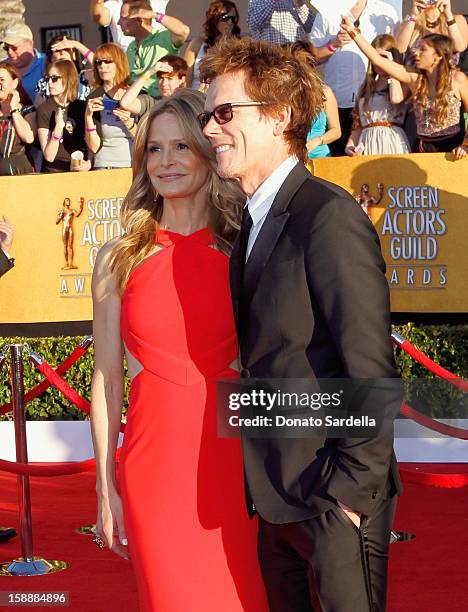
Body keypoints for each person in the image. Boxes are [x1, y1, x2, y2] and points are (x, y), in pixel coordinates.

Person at [199, 36, 402, 611]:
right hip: (277, 497)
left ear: (280, 116)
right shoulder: (253, 224)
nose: (210, 129)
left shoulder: (327, 216)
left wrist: (348, 495)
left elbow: (369, 362)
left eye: (224, 112)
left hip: (330, 499)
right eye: (207, 114)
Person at [90, 88, 269, 612]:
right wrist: (105, 489)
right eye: (153, 149)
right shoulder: (118, 258)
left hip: (234, 459)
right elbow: (106, 379)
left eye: (180, 147)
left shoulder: (243, 248)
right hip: (153, 464)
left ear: (208, 152)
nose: (165, 162)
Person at [341, 18, 468, 159]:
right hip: (423, 147)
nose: (416, 53)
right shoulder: (415, 78)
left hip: (454, 145)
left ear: (438, 55)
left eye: (423, 49)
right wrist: (353, 31)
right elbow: (377, 60)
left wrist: (465, 145)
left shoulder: (457, 79)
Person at [310, 0, 399, 155]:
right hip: (337, 103)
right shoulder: (327, 12)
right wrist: (334, 43)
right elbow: (312, 57)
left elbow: (398, 52)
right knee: (337, 164)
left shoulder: (386, 11)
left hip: (374, 105)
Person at [345, 34, 410, 156]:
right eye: (374, 57)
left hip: (391, 139)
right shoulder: (366, 87)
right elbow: (358, 124)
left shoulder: (402, 83)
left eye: (383, 57)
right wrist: (350, 146)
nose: (378, 62)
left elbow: (395, 98)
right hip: (367, 140)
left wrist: (391, 66)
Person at [118, 0, 190, 97]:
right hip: (133, 101)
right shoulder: (131, 46)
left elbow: (184, 31)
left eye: (123, 18)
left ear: (139, 19)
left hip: (158, 101)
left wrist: (153, 15)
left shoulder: (163, 37)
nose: (118, 23)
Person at [85, 43, 136, 169]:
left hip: (132, 164)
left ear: (119, 63)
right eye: (98, 62)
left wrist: (128, 122)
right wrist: (88, 118)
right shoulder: (94, 97)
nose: (102, 66)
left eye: (108, 61)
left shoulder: (134, 94)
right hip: (104, 165)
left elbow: (145, 139)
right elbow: (94, 147)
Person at [37, 60, 89, 173]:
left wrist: (89, 162)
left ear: (68, 79)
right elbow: (49, 156)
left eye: (54, 78)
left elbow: (92, 142)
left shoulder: (81, 107)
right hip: (53, 172)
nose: (49, 83)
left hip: (77, 170)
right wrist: (58, 127)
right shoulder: (44, 109)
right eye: (47, 78)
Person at [184, 1, 241, 91]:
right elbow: (186, 80)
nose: (230, 22)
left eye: (233, 19)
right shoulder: (197, 43)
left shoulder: (239, 45)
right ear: (214, 19)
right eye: (225, 18)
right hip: (198, 97)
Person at [395, 0, 468, 62]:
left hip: (444, 76)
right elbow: (399, 49)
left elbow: (460, 47)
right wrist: (414, 15)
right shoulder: (410, 20)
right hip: (414, 76)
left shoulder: (456, 19)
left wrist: (448, 15)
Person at [119, 54, 186, 117]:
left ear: (182, 80)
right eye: (161, 78)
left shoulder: (189, 104)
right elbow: (125, 103)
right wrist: (149, 72)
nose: (164, 83)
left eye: (169, 79)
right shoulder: (151, 103)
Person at [35, 35, 95, 104]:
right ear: (51, 58)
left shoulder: (85, 77)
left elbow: (100, 64)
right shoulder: (44, 83)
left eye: (66, 49)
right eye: (57, 50)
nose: (62, 53)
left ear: (74, 55)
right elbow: (39, 109)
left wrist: (76, 44)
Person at [90, 0, 169, 51]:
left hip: (157, 58)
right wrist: (97, 2)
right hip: (128, 63)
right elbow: (99, 18)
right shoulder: (115, 3)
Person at [0, 62, 36, 175]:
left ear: (14, 83)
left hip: (19, 172)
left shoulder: (28, 110)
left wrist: (14, 109)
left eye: (2, 80)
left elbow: (29, 137)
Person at [1, 23, 46, 103]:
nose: (10, 52)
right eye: (7, 48)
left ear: (30, 44)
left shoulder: (47, 63)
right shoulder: (2, 67)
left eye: (14, 48)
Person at [247, 0, 316, 45]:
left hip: (296, 57)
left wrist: (299, 4)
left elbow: (310, 27)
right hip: (272, 58)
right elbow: (253, 23)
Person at [56, 197, 84, 269]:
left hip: (70, 229)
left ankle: (71, 264)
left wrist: (81, 207)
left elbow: (78, 215)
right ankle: (66, 263)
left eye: (69, 200)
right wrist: (60, 216)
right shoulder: (62, 211)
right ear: (64, 203)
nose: (68, 202)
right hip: (64, 229)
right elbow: (57, 222)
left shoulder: (72, 211)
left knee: (70, 246)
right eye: (67, 201)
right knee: (65, 246)